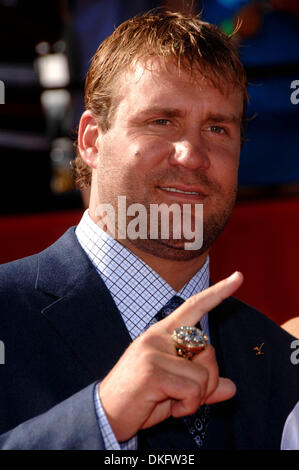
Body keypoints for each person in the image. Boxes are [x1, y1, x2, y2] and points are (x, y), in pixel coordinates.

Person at [0, 10, 298, 451]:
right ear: (91, 140)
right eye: (162, 121)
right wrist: (103, 417)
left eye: (217, 128)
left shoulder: (275, 360)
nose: (192, 154)